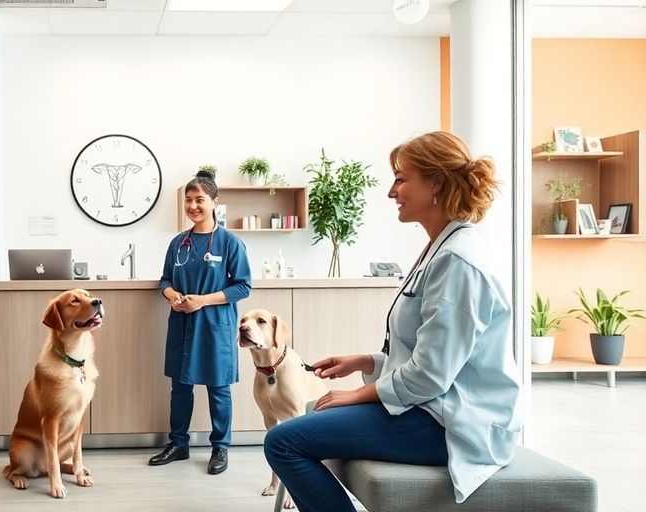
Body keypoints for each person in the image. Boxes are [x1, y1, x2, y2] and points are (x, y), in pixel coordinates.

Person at [263, 131, 523, 511]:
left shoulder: (458, 261)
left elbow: (431, 376)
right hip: (434, 410)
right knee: (298, 428)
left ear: (436, 183)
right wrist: (367, 362)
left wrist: (356, 394)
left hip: (453, 426)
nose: (391, 191)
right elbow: (432, 360)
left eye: (402, 179)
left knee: (282, 441)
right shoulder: (441, 248)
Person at [148, 170, 252, 475]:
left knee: (219, 389)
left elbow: (243, 286)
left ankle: (220, 447)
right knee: (180, 388)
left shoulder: (230, 243)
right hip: (182, 324)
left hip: (215, 326)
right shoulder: (178, 243)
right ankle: (178, 443)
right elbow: (164, 278)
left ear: (214, 202)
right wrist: (171, 294)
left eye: (200, 200)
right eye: (189, 200)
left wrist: (201, 301)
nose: (193, 206)